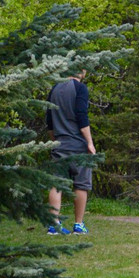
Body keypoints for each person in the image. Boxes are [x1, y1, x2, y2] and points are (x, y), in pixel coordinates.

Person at [46, 69, 96, 235]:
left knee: (57, 183)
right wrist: (89, 142)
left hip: (59, 143)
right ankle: (78, 224)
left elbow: (49, 120)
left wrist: (54, 141)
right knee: (81, 184)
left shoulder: (54, 89)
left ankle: (53, 224)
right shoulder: (79, 88)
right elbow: (82, 116)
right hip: (78, 144)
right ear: (81, 70)